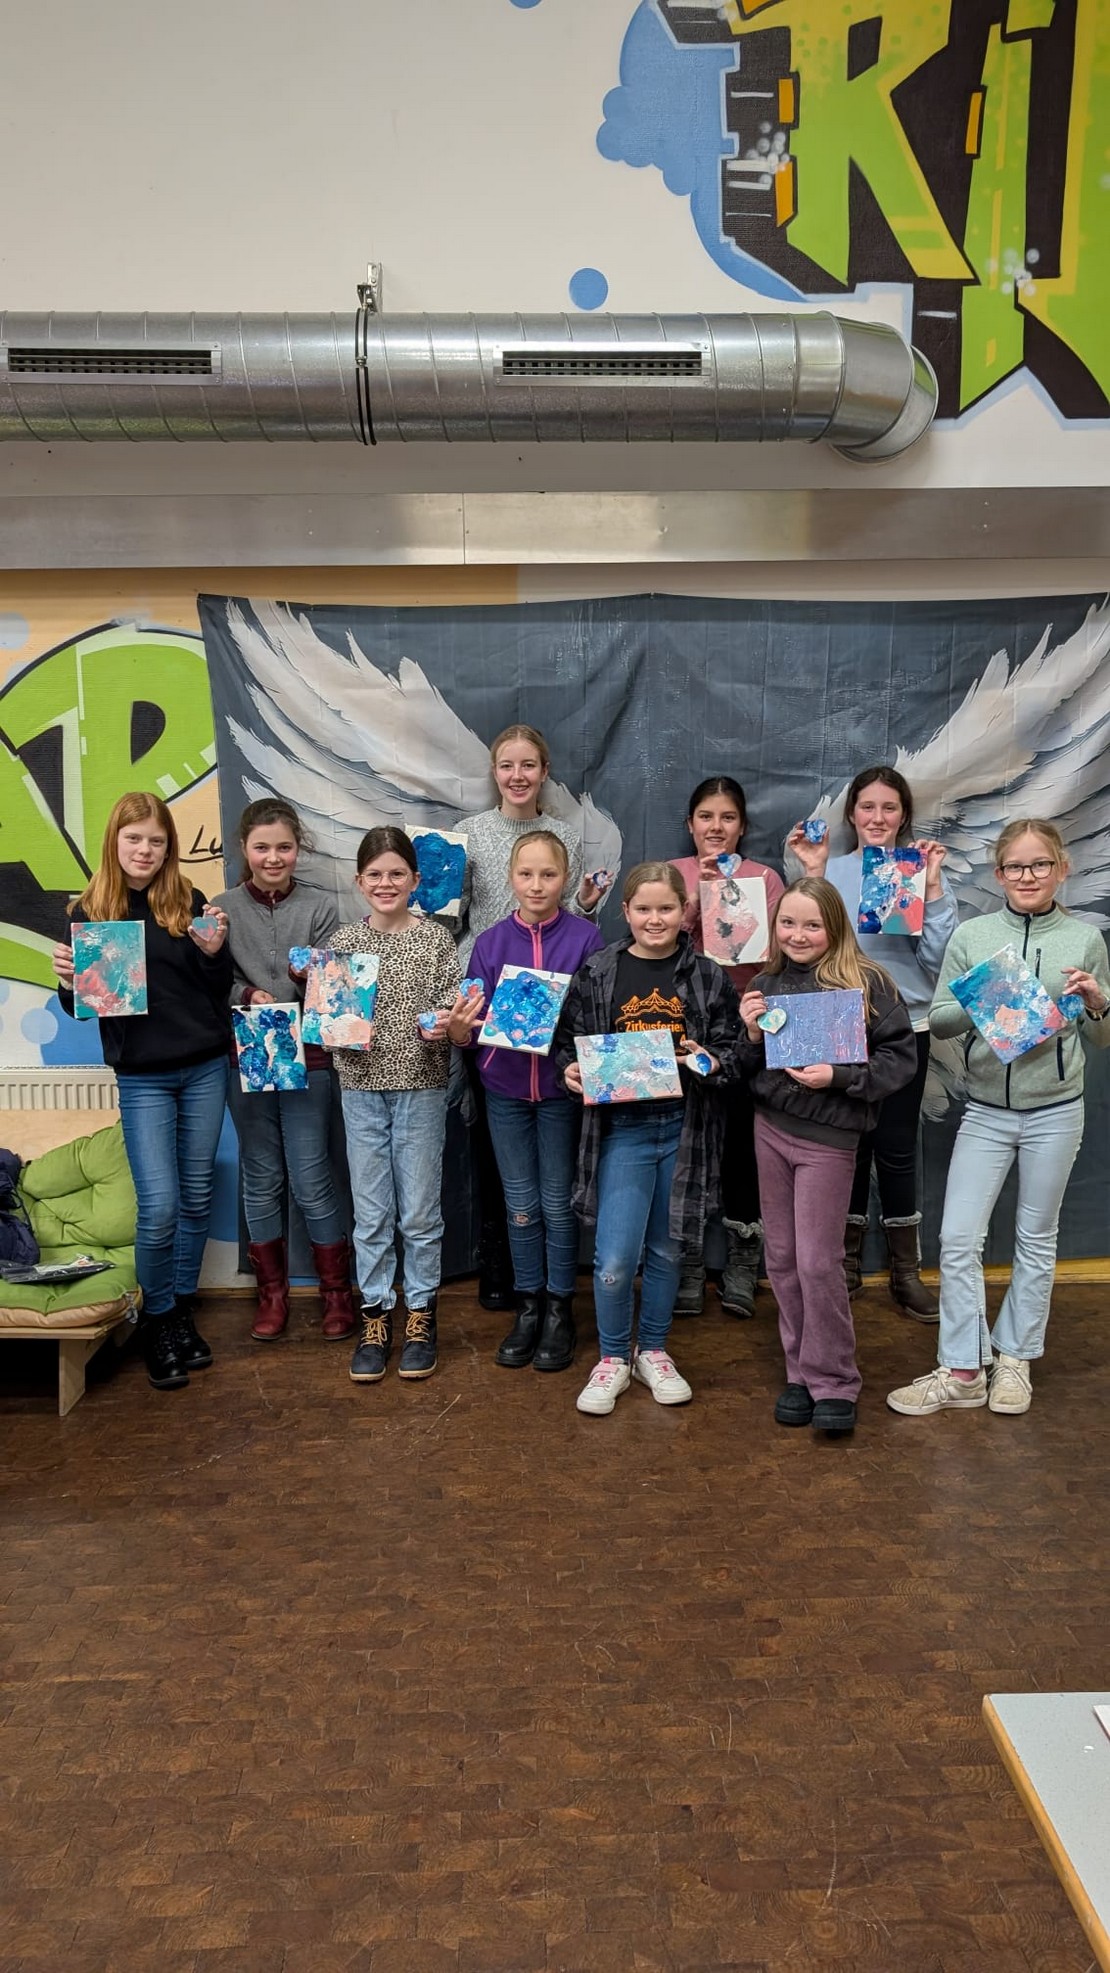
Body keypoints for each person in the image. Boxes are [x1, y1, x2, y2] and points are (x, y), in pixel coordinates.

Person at [887, 819, 1110, 1420]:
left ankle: (1015, 1358)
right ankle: (963, 1369)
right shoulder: (973, 934)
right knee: (959, 1239)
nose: (1027, 876)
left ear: (1061, 869)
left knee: (1036, 1238)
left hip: (1056, 1110)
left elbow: (1103, 1036)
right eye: (1015, 866)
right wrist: (983, 996)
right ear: (999, 873)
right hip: (986, 1110)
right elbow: (939, 1019)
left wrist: (1098, 1003)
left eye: (1040, 865)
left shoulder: (1086, 939)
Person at [52, 792, 233, 1392]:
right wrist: (67, 985)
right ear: (115, 841)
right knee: (159, 1207)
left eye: (156, 840)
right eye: (135, 838)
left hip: (204, 1067)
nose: (145, 850)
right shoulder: (89, 912)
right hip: (142, 1077)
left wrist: (214, 956)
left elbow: (213, 989)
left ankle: (178, 1310)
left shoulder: (188, 901)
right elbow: (85, 1010)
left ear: (168, 847)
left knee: (197, 1195)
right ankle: (157, 1318)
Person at [553, 862, 739, 1417]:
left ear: (685, 912)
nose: (654, 919)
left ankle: (652, 1350)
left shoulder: (707, 975)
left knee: (667, 1249)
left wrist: (708, 1060)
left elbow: (733, 1052)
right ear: (626, 911)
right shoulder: (599, 971)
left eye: (666, 908)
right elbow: (567, 1044)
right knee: (614, 1259)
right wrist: (569, 1071)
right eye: (643, 909)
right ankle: (612, 1357)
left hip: (684, 1128)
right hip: (622, 1131)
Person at [738, 879, 917, 1434]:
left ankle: (835, 1380)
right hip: (771, 1130)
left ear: (835, 927)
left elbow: (900, 1058)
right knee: (782, 1259)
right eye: (788, 923)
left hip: (829, 1141)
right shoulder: (765, 984)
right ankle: (801, 1372)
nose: (798, 935)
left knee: (818, 1262)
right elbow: (744, 1068)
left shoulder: (868, 983)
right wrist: (750, 1036)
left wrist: (838, 1077)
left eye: (812, 925)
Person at [787, 764, 956, 1318]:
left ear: (903, 815)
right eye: (867, 807)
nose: (878, 817)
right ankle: (846, 1261)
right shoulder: (832, 870)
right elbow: (808, 947)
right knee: (848, 1143)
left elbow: (939, 963)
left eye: (889, 807)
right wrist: (814, 873)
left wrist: (931, 889)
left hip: (906, 1024)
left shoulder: (918, 871)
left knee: (898, 1146)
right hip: (842, 1023)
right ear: (852, 814)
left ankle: (906, 1271)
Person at [457, 723, 606, 1312]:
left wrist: (584, 905)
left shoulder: (585, 936)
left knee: (556, 1201)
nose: (517, 775)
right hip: (502, 1062)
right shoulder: (488, 935)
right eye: (507, 764)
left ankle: (559, 1306)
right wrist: (465, 1025)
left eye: (529, 764)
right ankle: (525, 1299)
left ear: (545, 771)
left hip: (560, 1078)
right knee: (515, 1197)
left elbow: (590, 994)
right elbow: (450, 918)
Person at [330, 827, 470, 1386]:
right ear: (359, 881)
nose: (385, 883)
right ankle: (374, 1316)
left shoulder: (435, 941)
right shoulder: (344, 942)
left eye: (396, 874)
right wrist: (329, 1019)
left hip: (421, 1089)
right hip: (360, 1090)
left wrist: (452, 1026)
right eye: (375, 875)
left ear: (415, 880)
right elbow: (330, 1027)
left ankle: (420, 1316)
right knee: (371, 1214)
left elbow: (454, 1020)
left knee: (418, 1213)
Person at [212, 797, 355, 1344]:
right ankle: (271, 1294)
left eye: (284, 847)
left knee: (312, 1175)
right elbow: (210, 980)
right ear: (244, 850)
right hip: (247, 1053)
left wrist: (309, 978)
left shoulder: (319, 907)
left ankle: (336, 1292)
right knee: (261, 1175)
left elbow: (336, 989)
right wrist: (246, 993)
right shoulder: (222, 907)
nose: (274, 858)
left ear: (299, 850)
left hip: (310, 1058)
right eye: (262, 848)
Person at [670, 774, 785, 1318]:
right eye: (706, 816)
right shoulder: (672, 874)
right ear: (690, 824)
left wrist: (737, 908)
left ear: (742, 826)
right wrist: (696, 902)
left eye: (728, 817)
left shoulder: (765, 878)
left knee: (743, 1144)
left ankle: (743, 1258)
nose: (716, 827)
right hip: (682, 1029)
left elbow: (781, 954)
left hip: (746, 1027)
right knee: (686, 1145)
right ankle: (688, 1260)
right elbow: (655, 944)